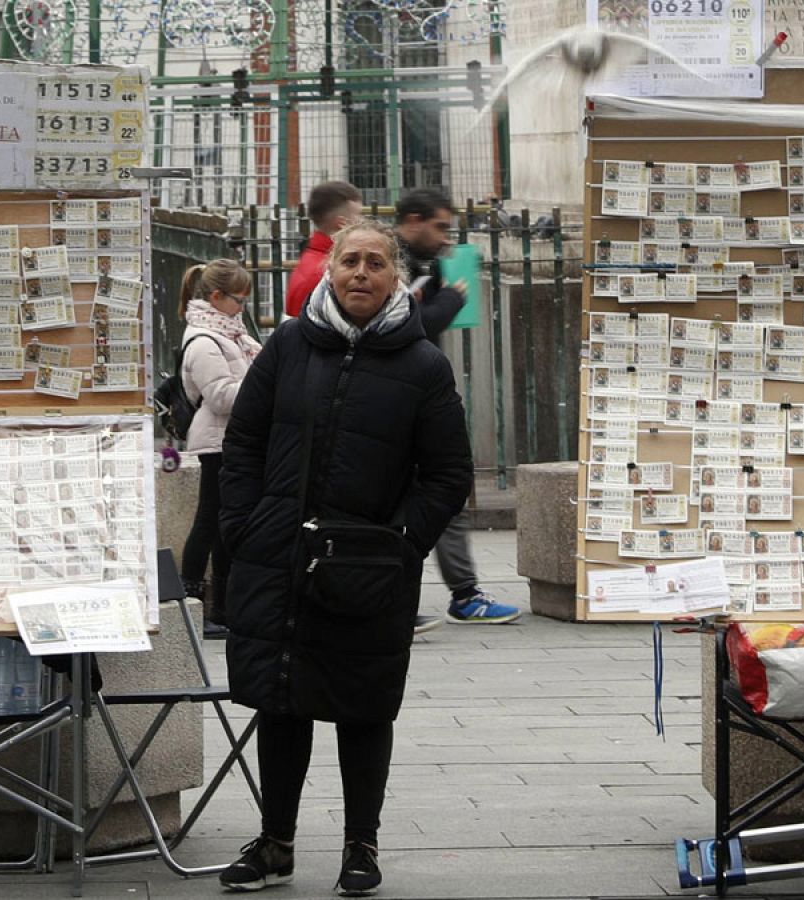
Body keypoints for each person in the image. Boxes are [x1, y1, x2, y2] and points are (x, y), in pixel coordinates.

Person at [217, 220, 472, 894]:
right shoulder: (290, 344)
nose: (361, 272)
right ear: (330, 272)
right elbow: (243, 440)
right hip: (280, 556)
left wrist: (400, 544)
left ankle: (362, 846)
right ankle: (276, 843)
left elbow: (448, 476)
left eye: (376, 263)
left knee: (363, 707)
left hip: (369, 568)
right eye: (349, 261)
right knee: (281, 701)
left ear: (395, 279)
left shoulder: (423, 365)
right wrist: (246, 524)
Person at [394, 188, 523, 627]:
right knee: (406, 502)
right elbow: (409, 326)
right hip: (397, 404)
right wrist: (450, 298)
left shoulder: (418, 266)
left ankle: (462, 594)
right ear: (413, 220)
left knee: (446, 492)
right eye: (440, 227)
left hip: (418, 401)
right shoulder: (386, 264)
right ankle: (405, 599)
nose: (446, 237)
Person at [178, 259, 259, 640]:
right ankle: (193, 598)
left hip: (234, 439)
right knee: (209, 520)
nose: (244, 307)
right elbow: (221, 396)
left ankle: (223, 606)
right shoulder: (203, 340)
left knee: (227, 524)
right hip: (215, 441)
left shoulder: (232, 333)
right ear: (216, 296)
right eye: (240, 300)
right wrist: (265, 382)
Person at [285, 180, 363, 319]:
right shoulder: (324, 272)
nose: (362, 222)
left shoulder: (316, 263)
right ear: (342, 223)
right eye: (358, 216)